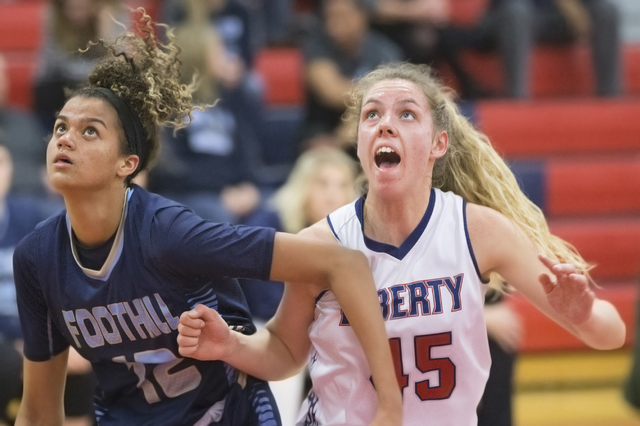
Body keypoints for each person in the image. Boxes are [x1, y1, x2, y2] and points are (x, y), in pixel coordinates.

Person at [177, 62, 626, 425]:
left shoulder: (478, 231)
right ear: (359, 145)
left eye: (406, 114)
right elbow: (285, 350)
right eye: (372, 115)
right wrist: (230, 345)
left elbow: (611, 334)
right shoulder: (322, 242)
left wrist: (582, 314)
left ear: (437, 144)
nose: (385, 125)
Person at [12, 12, 402, 426]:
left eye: (89, 131)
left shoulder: (168, 233)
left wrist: (389, 403)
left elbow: (343, 262)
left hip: (225, 414)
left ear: (127, 164)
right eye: (59, 127)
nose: (65, 138)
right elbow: (37, 411)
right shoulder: (36, 258)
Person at [455, 0, 621, 98]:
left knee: (606, 10)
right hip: (513, 18)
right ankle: (517, 99)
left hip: (557, 19)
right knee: (516, 13)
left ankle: (610, 97)